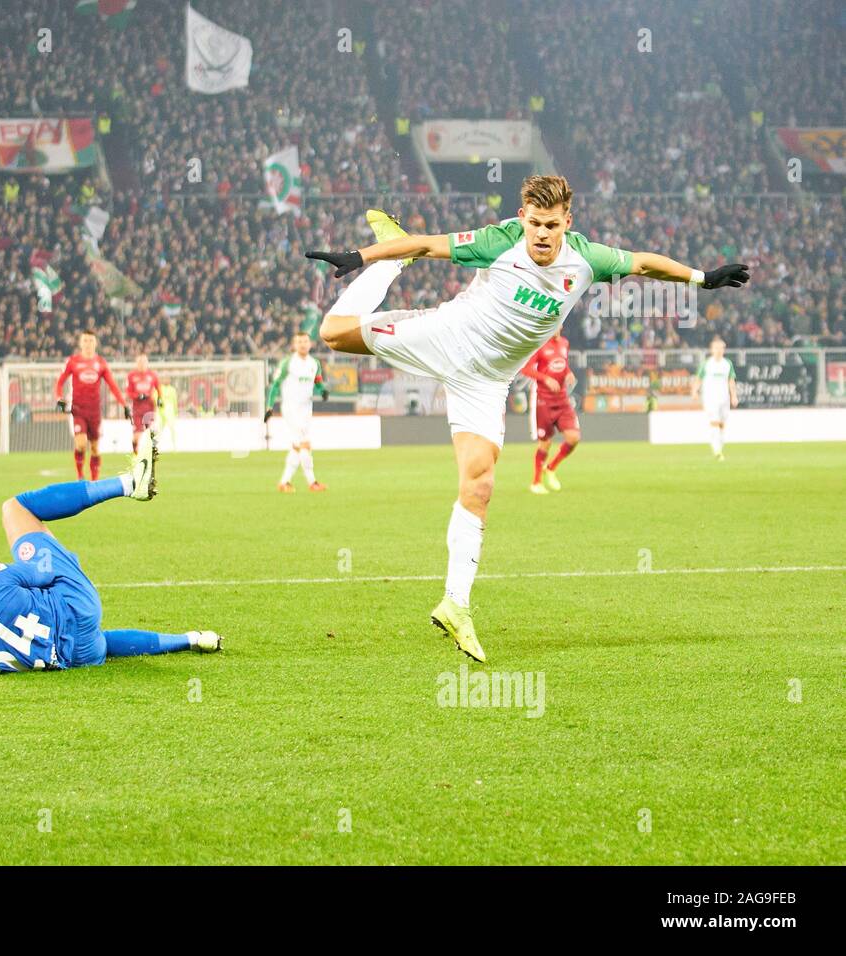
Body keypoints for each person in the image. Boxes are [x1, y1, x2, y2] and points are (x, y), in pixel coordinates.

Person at [306, 174, 750, 661]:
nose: (541, 233)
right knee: (333, 333)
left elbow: (643, 262)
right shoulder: (499, 241)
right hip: (448, 337)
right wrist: (365, 258)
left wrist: (702, 278)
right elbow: (432, 245)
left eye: (551, 225)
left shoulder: (587, 258)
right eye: (535, 222)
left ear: (567, 223)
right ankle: (388, 260)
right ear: (523, 218)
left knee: (479, 485)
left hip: (487, 383)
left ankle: (456, 605)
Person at [0, 432, 223, 674]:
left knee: (101, 642)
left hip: (76, 654)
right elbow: (39, 572)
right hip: (76, 601)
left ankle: (190, 640)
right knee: (16, 508)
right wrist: (51, 555)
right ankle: (130, 484)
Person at [54, 330, 129, 480]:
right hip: (78, 410)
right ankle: (80, 476)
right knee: (81, 444)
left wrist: (124, 404)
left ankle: (94, 480)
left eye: (91, 341)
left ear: (95, 343)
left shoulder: (101, 363)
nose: (88, 344)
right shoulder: (73, 361)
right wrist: (59, 399)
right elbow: (60, 382)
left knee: (95, 448)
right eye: (85, 341)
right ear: (81, 343)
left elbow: (113, 385)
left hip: (95, 412)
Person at [265, 331, 329, 492]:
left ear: (310, 344)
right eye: (299, 342)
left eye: (305, 341)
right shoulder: (287, 363)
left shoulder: (314, 363)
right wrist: (269, 406)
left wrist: (323, 391)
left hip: (307, 410)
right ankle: (312, 482)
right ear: (294, 345)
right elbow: (275, 385)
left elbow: (318, 381)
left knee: (296, 445)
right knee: (305, 443)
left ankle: (284, 482)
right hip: (291, 409)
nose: (303, 344)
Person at [519, 332, 579, 493]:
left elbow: (562, 364)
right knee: (545, 443)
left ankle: (551, 468)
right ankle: (536, 482)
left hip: (562, 399)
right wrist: (545, 379)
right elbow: (526, 369)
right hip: (543, 400)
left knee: (573, 438)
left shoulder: (564, 343)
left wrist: (568, 372)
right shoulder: (539, 344)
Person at [691, 336, 739, 460]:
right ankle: (717, 450)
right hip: (710, 398)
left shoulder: (727, 364)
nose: (719, 350)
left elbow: (731, 381)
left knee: (722, 424)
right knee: (715, 422)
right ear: (712, 350)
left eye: (721, 348)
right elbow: (698, 378)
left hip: (724, 398)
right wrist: (695, 391)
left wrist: (734, 396)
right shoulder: (707, 364)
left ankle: (719, 448)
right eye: (716, 348)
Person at [125, 353, 161, 456]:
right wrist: (137, 396)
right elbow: (128, 391)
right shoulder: (131, 376)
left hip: (150, 408)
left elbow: (159, 390)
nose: (142, 364)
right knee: (137, 436)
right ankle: (135, 453)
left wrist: (159, 399)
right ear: (136, 363)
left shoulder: (152, 375)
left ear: (147, 363)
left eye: (144, 361)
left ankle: (149, 456)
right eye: (140, 362)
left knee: (150, 433)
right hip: (137, 409)